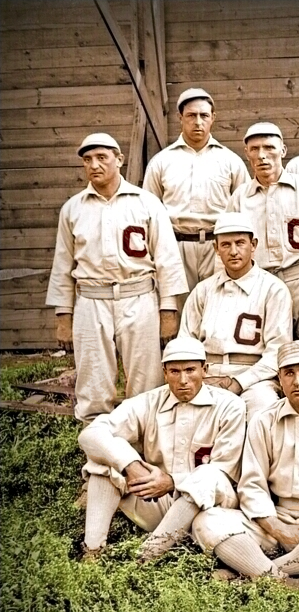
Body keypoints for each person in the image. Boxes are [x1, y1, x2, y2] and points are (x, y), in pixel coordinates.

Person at [191, 340, 299, 584]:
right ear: (279, 378)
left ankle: (252, 575)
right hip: (275, 516)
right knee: (207, 521)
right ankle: (285, 581)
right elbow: (252, 484)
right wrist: (276, 527)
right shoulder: (264, 420)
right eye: (289, 373)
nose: (297, 381)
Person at [46, 132, 188, 424]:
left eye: (102, 158)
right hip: (91, 300)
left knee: (145, 378)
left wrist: (168, 310)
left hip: (139, 297)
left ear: (119, 159)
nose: (94, 165)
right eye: (87, 160)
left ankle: (143, 439)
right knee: (93, 379)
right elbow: (62, 264)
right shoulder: (73, 209)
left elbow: (167, 259)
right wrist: (63, 316)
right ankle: (97, 444)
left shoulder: (147, 203)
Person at [78, 337, 246, 562]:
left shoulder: (230, 406)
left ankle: (147, 557)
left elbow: (224, 472)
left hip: (209, 509)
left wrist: (171, 481)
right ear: (164, 373)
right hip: (156, 499)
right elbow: (91, 433)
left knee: (207, 475)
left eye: (190, 370)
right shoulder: (149, 401)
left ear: (205, 370)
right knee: (103, 461)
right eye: (175, 372)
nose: (183, 380)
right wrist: (131, 466)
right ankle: (93, 551)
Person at [178, 212, 292, 419]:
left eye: (240, 243)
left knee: (263, 408)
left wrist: (240, 382)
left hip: (255, 378)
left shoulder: (273, 290)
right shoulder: (203, 290)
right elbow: (185, 344)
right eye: (225, 245)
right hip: (208, 376)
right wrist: (199, 378)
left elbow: (278, 352)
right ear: (215, 248)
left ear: (253, 245)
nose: (233, 251)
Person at [143, 88, 249, 305]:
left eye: (204, 116)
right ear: (180, 118)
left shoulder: (230, 161)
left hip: (219, 247)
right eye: (191, 116)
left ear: (213, 118)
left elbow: (245, 207)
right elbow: (148, 212)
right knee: (180, 312)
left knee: (220, 308)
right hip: (176, 246)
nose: (198, 122)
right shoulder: (162, 162)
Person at [226, 122, 299, 336]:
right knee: (265, 343)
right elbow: (227, 244)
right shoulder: (240, 198)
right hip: (258, 281)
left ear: (283, 150)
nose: (262, 155)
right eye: (255, 149)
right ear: (246, 154)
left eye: (269, 148)